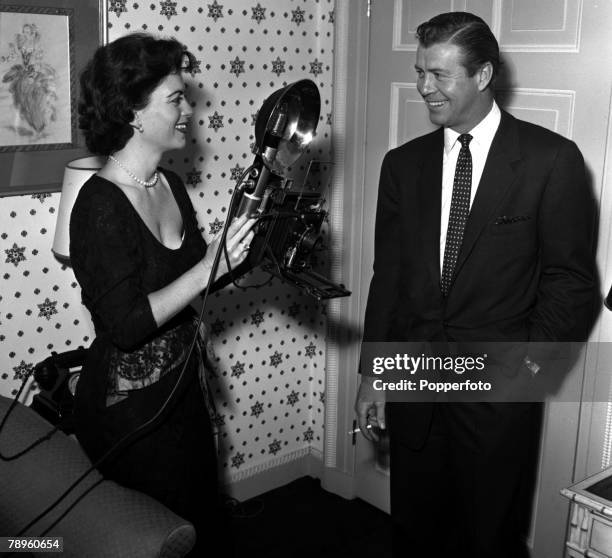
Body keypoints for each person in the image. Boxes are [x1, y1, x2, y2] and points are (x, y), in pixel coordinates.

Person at [355, 12, 596, 558]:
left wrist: (528, 371)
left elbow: (571, 283)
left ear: (483, 75)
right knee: (416, 532)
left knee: (489, 538)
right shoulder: (402, 166)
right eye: (420, 72)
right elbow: (387, 278)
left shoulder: (550, 160)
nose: (423, 88)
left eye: (439, 75)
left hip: (498, 401)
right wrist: (374, 372)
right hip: (416, 388)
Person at [70, 33, 255, 556]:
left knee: (203, 527)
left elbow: (202, 279)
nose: (187, 110)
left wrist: (247, 248)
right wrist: (207, 268)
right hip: (128, 412)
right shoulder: (98, 205)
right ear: (132, 111)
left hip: (181, 393)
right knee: (156, 537)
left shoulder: (169, 185)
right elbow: (126, 325)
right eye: (175, 98)